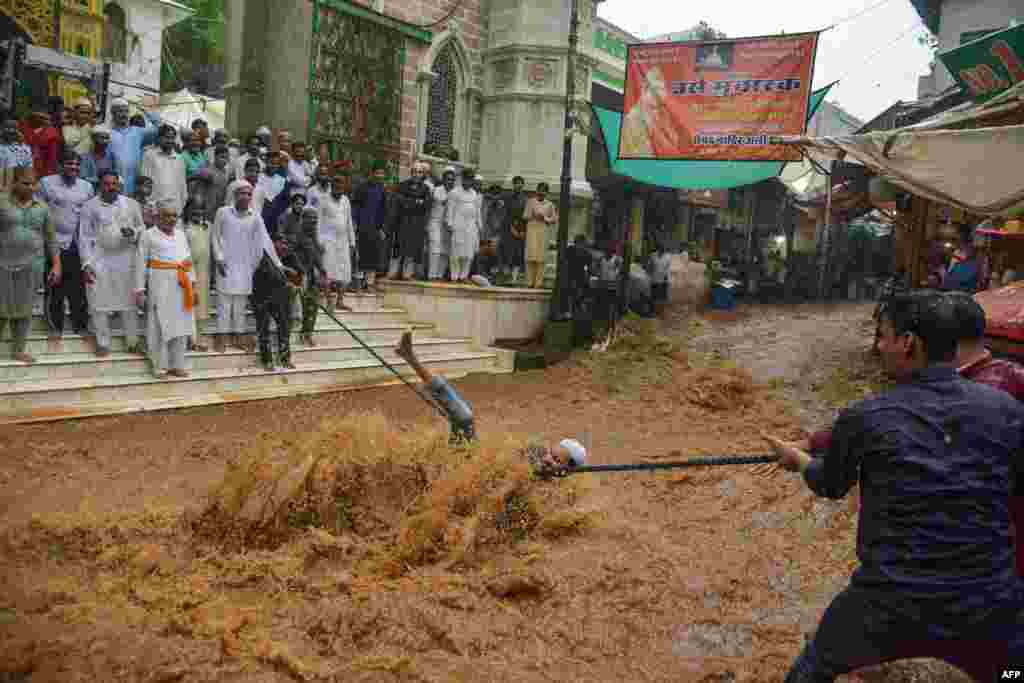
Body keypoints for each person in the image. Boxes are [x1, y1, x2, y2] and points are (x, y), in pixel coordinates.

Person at [764, 291, 1024, 682]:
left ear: (908, 343)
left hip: (890, 603)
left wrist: (800, 461)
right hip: (990, 601)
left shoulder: (865, 417)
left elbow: (829, 484)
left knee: (813, 669)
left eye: (882, 335)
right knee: (1012, 676)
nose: (878, 346)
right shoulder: (1006, 409)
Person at [211, 181, 289, 352]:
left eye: (248, 194)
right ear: (234, 195)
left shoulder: (255, 216)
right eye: (242, 193)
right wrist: (219, 258)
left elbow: (266, 241)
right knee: (224, 303)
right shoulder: (223, 213)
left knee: (239, 304)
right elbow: (215, 237)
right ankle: (222, 337)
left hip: (245, 266)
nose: (245, 197)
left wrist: (278, 263)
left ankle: (238, 337)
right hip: (225, 264)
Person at [78, 170, 145, 356]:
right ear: (100, 185)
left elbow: (142, 228)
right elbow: (84, 237)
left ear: (119, 185)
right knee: (99, 303)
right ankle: (102, 342)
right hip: (100, 259)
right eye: (107, 184)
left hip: (126, 258)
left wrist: (133, 232)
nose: (111, 187)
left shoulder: (131, 204)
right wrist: (86, 264)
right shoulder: (90, 206)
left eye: (114, 184)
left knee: (129, 303)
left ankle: (132, 342)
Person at [0, 167, 60, 363]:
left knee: (25, 309)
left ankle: (18, 350)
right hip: (4, 264)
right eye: (26, 183)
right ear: (15, 183)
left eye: (34, 183)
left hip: (33, 264)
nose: (31, 187)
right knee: (2, 308)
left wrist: (56, 265)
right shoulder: (2, 203)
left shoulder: (42, 207)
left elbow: (51, 239)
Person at [134, 201, 196, 379]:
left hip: (181, 284)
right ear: (157, 217)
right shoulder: (148, 235)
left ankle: (177, 364)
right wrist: (139, 290)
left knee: (180, 325)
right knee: (159, 325)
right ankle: (159, 366)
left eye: (174, 216)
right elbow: (140, 263)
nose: (171, 219)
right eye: (166, 215)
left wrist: (193, 283)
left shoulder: (181, 235)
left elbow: (187, 260)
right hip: (159, 284)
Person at [38, 150, 94, 341]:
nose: (74, 167)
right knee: (55, 288)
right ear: (60, 165)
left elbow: (89, 216)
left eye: (77, 164)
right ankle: (55, 327)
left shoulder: (86, 187)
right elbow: (40, 213)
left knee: (78, 290)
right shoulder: (46, 183)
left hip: (78, 244)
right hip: (54, 244)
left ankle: (81, 326)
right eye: (70, 163)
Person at [251, 234, 294, 372]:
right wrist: (286, 281)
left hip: (277, 298)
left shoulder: (283, 259)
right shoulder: (262, 253)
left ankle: (285, 359)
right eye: (282, 243)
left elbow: (296, 270)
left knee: (284, 326)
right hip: (261, 298)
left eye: (286, 244)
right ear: (273, 243)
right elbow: (270, 273)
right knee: (264, 329)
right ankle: (267, 361)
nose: (285, 247)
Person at [287, 207, 327, 347]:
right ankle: (291, 336)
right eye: (310, 218)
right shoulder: (297, 234)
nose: (313, 221)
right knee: (299, 307)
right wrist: (300, 270)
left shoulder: (313, 237)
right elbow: (290, 253)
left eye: (315, 219)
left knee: (313, 306)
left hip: (311, 277)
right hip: (297, 277)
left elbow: (316, 256)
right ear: (303, 219)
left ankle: (307, 334)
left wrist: (322, 269)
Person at [317, 171, 356, 311]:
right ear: (331, 186)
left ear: (344, 187)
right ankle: (329, 301)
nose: (338, 188)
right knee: (327, 271)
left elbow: (349, 222)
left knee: (345, 272)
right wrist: (319, 242)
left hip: (343, 241)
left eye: (341, 186)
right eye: (336, 185)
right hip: (327, 241)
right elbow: (318, 222)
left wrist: (352, 243)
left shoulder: (346, 200)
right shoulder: (323, 199)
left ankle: (340, 301)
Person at [352, 160, 390, 291]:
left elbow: (384, 211)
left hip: (375, 228)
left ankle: (369, 283)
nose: (380, 176)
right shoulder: (362, 188)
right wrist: (355, 223)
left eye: (382, 174)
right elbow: (355, 207)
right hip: (362, 227)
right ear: (372, 173)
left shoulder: (383, 190)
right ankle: (357, 283)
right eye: (377, 173)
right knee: (361, 255)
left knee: (373, 256)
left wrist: (382, 229)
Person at [108, 98, 160, 195]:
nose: (124, 114)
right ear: (113, 113)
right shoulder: (108, 133)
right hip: (113, 184)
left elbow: (158, 128)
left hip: (134, 183)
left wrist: (146, 111)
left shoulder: (138, 131)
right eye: (120, 111)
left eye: (126, 111)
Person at [390, 161, 432, 280]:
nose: (416, 174)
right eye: (414, 171)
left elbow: (426, 205)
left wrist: (410, 202)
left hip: (416, 222)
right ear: (411, 172)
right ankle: (393, 272)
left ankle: (406, 274)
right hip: (402, 221)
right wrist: (416, 202)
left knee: (411, 249)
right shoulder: (402, 185)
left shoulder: (426, 188)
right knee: (398, 248)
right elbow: (399, 201)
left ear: (422, 174)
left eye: (419, 172)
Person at [182, 200, 211, 352]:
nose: (197, 213)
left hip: (203, 272)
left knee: (201, 306)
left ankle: (199, 338)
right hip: (186, 271)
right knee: (188, 306)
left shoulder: (207, 226)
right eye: (194, 210)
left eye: (200, 210)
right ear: (187, 211)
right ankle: (190, 340)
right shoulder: (183, 228)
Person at [445, 168, 482, 284]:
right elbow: (450, 210)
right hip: (458, 225)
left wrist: (479, 225)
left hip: (471, 226)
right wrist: (450, 224)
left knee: (469, 253)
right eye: (467, 179)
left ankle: (464, 276)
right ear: (462, 179)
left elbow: (477, 211)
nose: (469, 182)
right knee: (456, 253)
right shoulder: (454, 192)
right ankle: (454, 277)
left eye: (471, 179)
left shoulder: (474, 193)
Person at [141, 124, 187, 215]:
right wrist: (150, 204)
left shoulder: (179, 158)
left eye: (172, 138)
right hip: (155, 208)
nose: (170, 141)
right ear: (159, 138)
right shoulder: (150, 155)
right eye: (167, 137)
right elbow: (145, 182)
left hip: (175, 208)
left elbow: (182, 185)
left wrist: (181, 205)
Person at [523, 182, 557, 288]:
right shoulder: (530, 202)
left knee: (541, 258)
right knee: (530, 256)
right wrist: (533, 215)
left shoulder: (550, 204)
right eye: (540, 190)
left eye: (544, 190)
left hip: (543, 231)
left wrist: (545, 218)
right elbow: (525, 216)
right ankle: (529, 282)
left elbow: (554, 219)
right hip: (532, 229)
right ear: (537, 190)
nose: (541, 192)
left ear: (546, 192)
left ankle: (538, 283)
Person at [21, 102, 64, 180]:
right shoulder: (22, 129)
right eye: (36, 116)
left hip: (42, 171)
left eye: (42, 117)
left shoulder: (52, 134)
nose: (39, 119)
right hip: (22, 169)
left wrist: (47, 177)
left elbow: (52, 160)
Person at [426, 167, 455, 281]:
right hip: (435, 223)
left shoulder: (455, 192)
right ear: (443, 179)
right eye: (448, 179)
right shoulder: (436, 190)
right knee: (435, 249)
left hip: (448, 225)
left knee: (445, 251)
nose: (450, 181)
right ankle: (431, 275)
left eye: (452, 179)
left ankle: (440, 275)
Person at [499, 176, 528, 283]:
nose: (518, 185)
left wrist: (522, 230)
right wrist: (510, 227)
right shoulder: (507, 197)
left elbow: (526, 216)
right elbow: (505, 213)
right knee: (507, 253)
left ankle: (513, 279)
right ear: (513, 184)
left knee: (518, 254)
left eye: (520, 183)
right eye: (516, 183)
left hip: (520, 229)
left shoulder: (525, 199)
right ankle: (505, 276)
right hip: (508, 229)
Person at [646, 242, 672, 310]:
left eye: (663, 248)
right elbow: (649, 267)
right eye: (660, 248)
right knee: (653, 296)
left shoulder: (668, 257)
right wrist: (649, 276)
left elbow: (668, 269)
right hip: (654, 279)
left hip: (663, 280)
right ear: (658, 249)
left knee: (662, 298)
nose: (662, 250)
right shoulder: (653, 256)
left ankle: (661, 311)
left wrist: (667, 279)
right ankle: (652, 310)